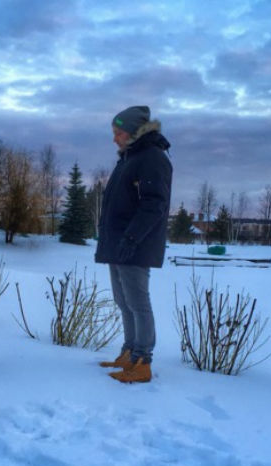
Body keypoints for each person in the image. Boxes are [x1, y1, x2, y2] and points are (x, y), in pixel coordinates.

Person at [95, 106, 172, 383]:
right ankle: (129, 353)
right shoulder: (129, 158)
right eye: (114, 133)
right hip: (119, 243)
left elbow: (155, 205)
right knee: (123, 301)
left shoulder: (152, 158)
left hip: (134, 245)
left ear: (135, 132)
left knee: (138, 303)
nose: (114, 138)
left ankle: (142, 361)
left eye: (119, 133)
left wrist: (131, 237)